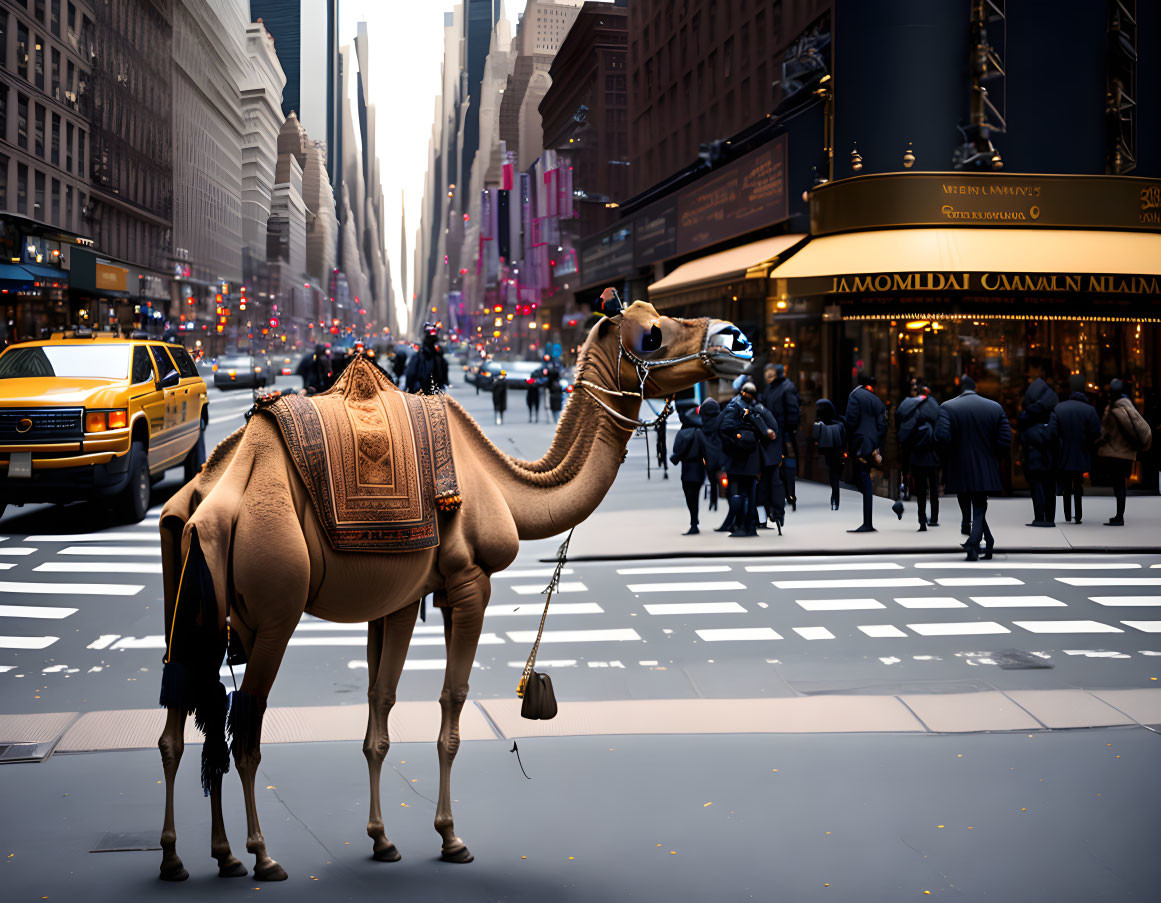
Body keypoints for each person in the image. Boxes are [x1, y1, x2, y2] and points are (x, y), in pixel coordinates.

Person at [936, 374, 1012, 561]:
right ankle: (983, 540)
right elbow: (1005, 440)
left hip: (958, 464)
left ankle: (973, 540)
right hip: (986, 463)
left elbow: (942, 437)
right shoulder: (994, 408)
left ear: (960, 388)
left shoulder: (947, 407)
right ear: (975, 387)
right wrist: (994, 458)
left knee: (968, 500)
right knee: (980, 503)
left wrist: (949, 457)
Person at [1096, 378, 1153, 526]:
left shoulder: (1112, 410)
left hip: (1114, 452)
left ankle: (1119, 517)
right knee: (1121, 484)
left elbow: (1104, 432)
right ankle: (1119, 515)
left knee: (1118, 484)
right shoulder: (1129, 407)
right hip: (1126, 453)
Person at [1049, 374, 1102, 524]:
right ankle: (1078, 515)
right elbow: (1096, 432)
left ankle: (1067, 514)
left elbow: (1053, 432)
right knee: (1078, 484)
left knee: (1066, 485)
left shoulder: (1059, 408)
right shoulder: (1089, 410)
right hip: (1082, 451)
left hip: (1064, 452)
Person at [718, 383, 768, 537]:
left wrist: (732, 444)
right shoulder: (757, 410)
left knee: (736, 493)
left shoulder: (732, 408)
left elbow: (721, 427)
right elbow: (765, 431)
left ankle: (739, 526)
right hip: (752, 461)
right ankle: (751, 527)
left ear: (741, 392)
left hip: (736, 459)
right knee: (751, 494)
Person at [843, 372, 888, 533]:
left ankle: (867, 522)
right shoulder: (877, 400)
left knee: (863, 478)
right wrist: (876, 443)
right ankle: (867, 521)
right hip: (872, 443)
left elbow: (851, 420)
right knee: (865, 477)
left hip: (860, 442)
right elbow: (883, 425)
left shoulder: (855, 396)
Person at [896, 384, 942, 531]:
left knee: (921, 491)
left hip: (917, 457)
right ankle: (934, 518)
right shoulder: (934, 409)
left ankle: (922, 520)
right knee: (934, 489)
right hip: (932, 456)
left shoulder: (910, 409)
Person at [1018, 377, 1060, 527]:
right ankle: (1049, 519)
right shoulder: (1053, 415)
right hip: (1050, 457)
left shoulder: (1027, 417)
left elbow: (1023, 434)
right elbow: (1054, 435)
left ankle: (1040, 518)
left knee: (1037, 488)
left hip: (1034, 456)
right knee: (1049, 488)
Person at [761, 364, 801, 511]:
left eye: (771, 373)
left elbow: (793, 411)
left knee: (787, 464)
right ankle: (781, 495)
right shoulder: (770, 389)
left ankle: (790, 494)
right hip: (773, 434)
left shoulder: (786, 387)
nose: (768, 376)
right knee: (777, 465)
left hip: (784, 434)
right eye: (766, 373)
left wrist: (790, 429)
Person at [670, 409, 707, 535]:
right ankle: (694, 522)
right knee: (695, 496)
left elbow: (676, 450)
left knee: (689, 497)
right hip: (699, 468)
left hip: (686, 469)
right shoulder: (699, 433)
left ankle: (693, 523)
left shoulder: (681, 434)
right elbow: (706, 450)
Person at [812, 398, 846, 510]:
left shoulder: (819, 423)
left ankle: (834, 499)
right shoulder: (840, 422)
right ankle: (835, 499)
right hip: (838, 450)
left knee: (833, 475)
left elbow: (815, 437)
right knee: (835, 475)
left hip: (827, 451)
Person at [698, 398, 724, 516]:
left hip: (708, 456)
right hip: (721, 456)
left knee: (711, 478)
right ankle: (719, 495)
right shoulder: (720, 422)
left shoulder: (701, 426)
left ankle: (713, 500)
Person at [404, 325, 449, 394]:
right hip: (427, 391)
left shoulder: (420, 356)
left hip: (424, 391)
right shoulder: (437, 357)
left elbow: (410, 374)